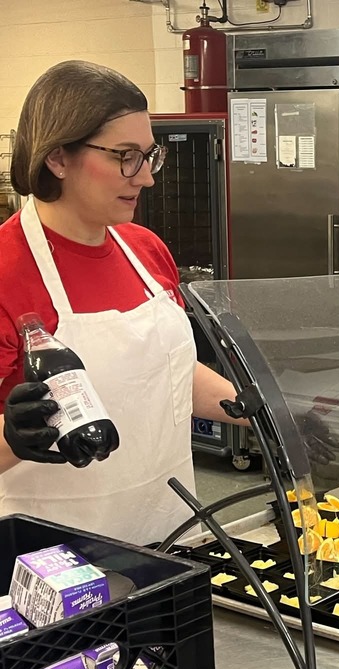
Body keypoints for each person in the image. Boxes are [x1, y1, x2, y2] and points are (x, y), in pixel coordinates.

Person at [0, 61, 243, 545]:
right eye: (125, 156)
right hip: (53, 559)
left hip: (167, 534)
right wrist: (11, 437)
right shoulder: (7, 269)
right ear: (57, 158)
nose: (146, 178)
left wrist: (258, 411)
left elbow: (166, 372)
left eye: (150, 156)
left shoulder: (145, 249)